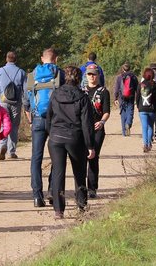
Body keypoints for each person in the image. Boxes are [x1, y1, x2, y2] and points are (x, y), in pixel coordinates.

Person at [46, 66, 96, 219]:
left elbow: (48, 118)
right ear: (79, 79)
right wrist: (90, 146)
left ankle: (58, 210)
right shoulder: (82, 97)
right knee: (79, 173)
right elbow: (87, 125)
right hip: (75, 138)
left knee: (58, 173)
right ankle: (81, 206)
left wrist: (52, 134)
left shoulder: (55, 94)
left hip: (55, 138)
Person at [24, 47, 64, 207]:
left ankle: (36, 196)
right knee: (57, 157)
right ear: (56, 59)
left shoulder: (32, 75)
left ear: (42, 58)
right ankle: (52, 191)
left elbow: (26, 102)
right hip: (56, 120)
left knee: (36, 157)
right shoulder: (60, 74)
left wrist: (31, 119)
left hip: (38, 119)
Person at [0, 51, 26, 161]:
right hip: (16, 102)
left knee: (3, 124)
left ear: (6, 59)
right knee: (14, 126)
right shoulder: (21, 72)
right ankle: (12, 152)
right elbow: (25, 90)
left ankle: (2, 145)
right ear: (15, 59)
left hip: (3, 101)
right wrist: (26, 103)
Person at [84, 64, 110, 198]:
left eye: (94, 74)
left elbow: (106, 112)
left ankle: (92, 188)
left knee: (93, 157)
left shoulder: (104, 91)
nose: (92, 76)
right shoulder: (81, 91)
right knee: (82, 158)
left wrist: (102, 122)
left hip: (97, 128)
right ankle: (82, 187)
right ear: (86, 76)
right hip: (83, 129)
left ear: (98, 75)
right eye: (89, 74)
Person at [135, 67, 156, 153]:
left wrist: (138, 106)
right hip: (152, 109)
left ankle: (145, 144)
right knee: (150, 126)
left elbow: (137, 97)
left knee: (144, 127)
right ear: (153, 75)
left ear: (144, 75)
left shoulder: (140, 85)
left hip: (142, 109)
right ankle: (149, 144)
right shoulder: (155, 85)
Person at [113, 63, 137, 137]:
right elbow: (137, 88)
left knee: (123, 114)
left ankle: (124, 132)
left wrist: (115, 98)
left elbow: (116, 88)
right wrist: (137, 97)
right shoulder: (133, 77)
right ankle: (128, 123)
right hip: (131, 97)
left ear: (122, 69)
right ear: (129, 69)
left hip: (121, 97)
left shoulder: (119, 77)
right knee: (130, 112)